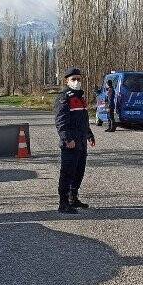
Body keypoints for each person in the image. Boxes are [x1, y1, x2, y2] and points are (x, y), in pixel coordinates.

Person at [54, 68, 96, 214]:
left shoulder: (80, 97)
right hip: (70, 143)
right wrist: (67, 139)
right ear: (67, 81)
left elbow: (84, 121)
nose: (77, 81)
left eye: (79, 78)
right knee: (67, 173)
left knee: (79, 172)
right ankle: (63, 203)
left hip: (81, 142)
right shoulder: (64, 97)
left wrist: (89, 135)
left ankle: (73, 198)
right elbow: (61, 121)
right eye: (74, 79)